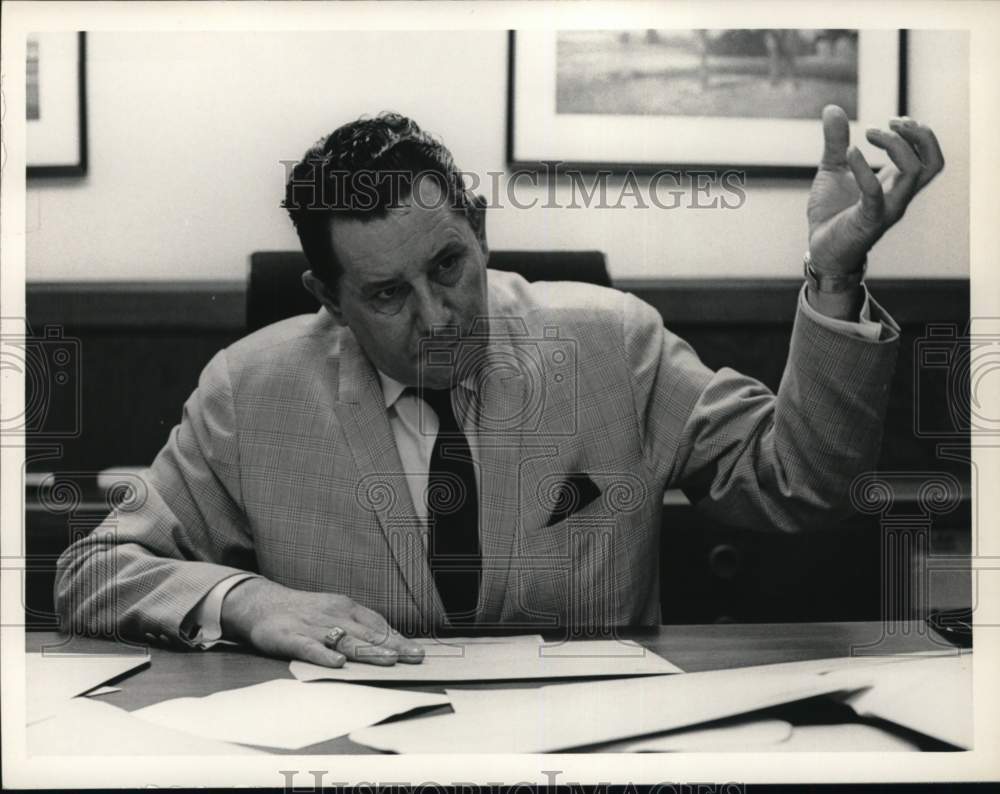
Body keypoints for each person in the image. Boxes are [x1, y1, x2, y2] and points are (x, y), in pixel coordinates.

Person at [55, 106, 944, 669]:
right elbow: (92, 573)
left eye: (450, 265)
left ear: (481, 235)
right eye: (387, 294)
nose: (438, 318)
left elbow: (806, 485)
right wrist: (248, 603)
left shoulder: (612, 343)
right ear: (328, 299)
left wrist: (835, 275)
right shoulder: (250, 392)